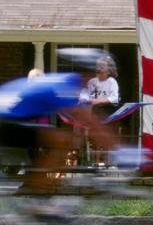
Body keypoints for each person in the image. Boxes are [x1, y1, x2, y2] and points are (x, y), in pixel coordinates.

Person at [0, 48, 141, 191]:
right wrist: (122, 151)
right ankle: (34, 190)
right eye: (95, 73)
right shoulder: (66, 87)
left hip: (10, 117)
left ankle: (35, 185)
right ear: (86, 74)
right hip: (6, 121)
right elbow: (93, 124)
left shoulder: (62, 80)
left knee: (59, 138)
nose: (95, 78)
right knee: (63, 140)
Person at [86, 55, 119, 120]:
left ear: (109, 71)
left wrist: (98, 101)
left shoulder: (111, 82)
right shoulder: (92, 82)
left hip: (109, 110)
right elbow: (89, 96)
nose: (98, 69)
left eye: (102, 67)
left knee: (107, 128)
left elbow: (114, 98)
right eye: (97, 66)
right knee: (95, 128)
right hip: (96, 109)